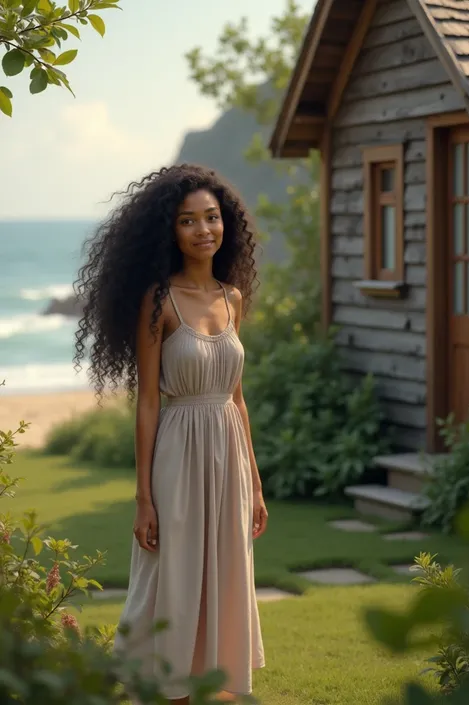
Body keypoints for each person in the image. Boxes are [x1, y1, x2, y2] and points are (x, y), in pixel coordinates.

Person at [74, 164, 267, 702]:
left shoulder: (233, 298)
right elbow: (148, 404)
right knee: (172, 578)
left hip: (227, 450)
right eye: (189, 221)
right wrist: (143, 499)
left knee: (223, 572)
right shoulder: (158, 300)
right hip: (177, 451)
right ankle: (161, 686)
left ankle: (213, 685)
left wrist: (254, 482)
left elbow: (236, 397)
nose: (204, 229)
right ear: (171, 231)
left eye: (212, 217)